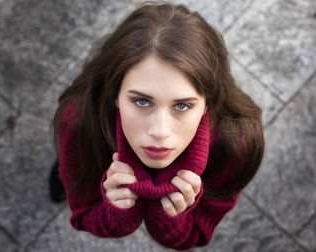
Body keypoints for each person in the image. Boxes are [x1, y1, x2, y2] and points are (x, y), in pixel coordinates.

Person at [49, 1, 264, 250]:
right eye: (142, 101)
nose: (160, 131)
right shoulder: (78, 120)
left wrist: (171, 217)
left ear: (208, 103)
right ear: (114, 95)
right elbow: (83, 217)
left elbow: (195, 236)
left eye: (182, 105)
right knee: (80, 156)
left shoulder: (236, 141)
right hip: (95, 137)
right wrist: (115, 210)